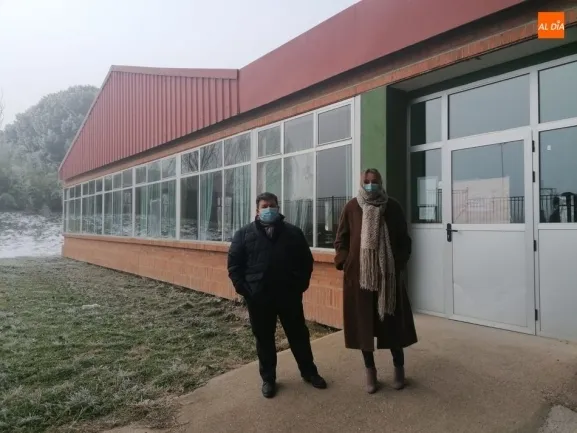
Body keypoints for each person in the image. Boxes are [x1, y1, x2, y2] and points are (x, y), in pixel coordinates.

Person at [227, 192, 327, 398]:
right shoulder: (243, 234)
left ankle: (309, 372)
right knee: (264, 339)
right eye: (264, 206)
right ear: (257, 210)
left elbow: (306, 262)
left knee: (298, 335)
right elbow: (234, 266)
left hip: (288, 295)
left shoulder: (293, 233)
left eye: (272, 205)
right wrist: (246, 291)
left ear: (278, 207)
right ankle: (268, 379)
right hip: (259, 298)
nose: (269, 209)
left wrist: (299, 285)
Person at [334, 168, 417, 394]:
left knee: (393, 325)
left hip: (388, 279)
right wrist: (345, 262)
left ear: (381, 182)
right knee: (364, 327)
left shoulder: (393, 207)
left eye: (375, 181)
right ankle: (370, 372)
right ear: (362, 183)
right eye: (367, 181)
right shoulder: (352, 207)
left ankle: (399, 368)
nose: (371, 184)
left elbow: (404, 240)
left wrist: (397, 263)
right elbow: (341, 239)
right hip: (360, 279)